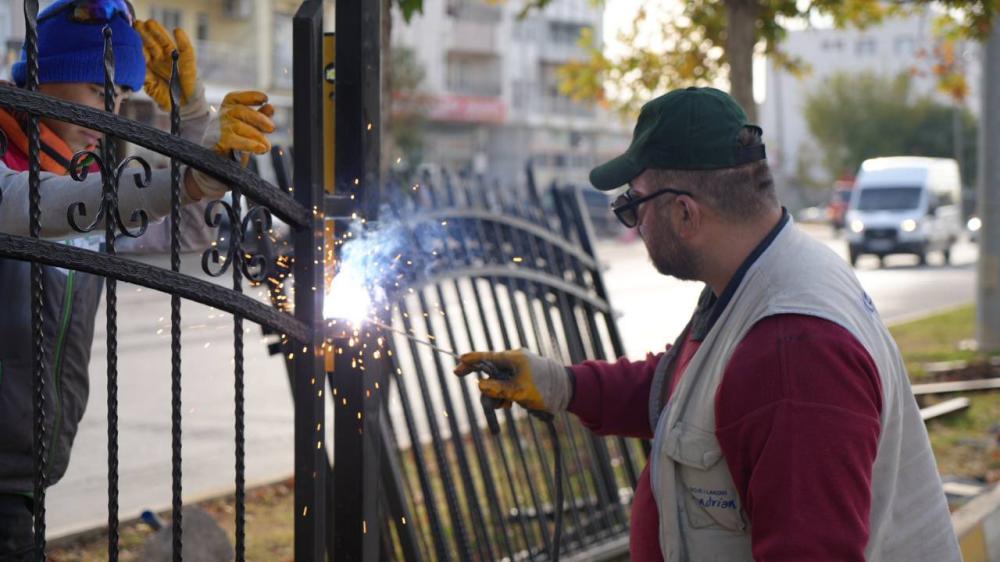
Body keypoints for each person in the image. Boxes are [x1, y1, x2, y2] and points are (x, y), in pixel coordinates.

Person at [455, 87, 961, 561]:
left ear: (684, 214)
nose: (630, 223)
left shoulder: (792, 354)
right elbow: (686, 393)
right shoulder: (757, 280)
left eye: (632, 205)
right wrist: (561, 384)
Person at [0, 1, 275, 559]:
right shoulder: (20, 172)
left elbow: (188, 228)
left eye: (121, 95)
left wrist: (193, 119)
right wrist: (186, 173)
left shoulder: (90, 180)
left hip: (27, 471)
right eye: (93, 86)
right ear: (42, 77)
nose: (110, 106)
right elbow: (44, 206)